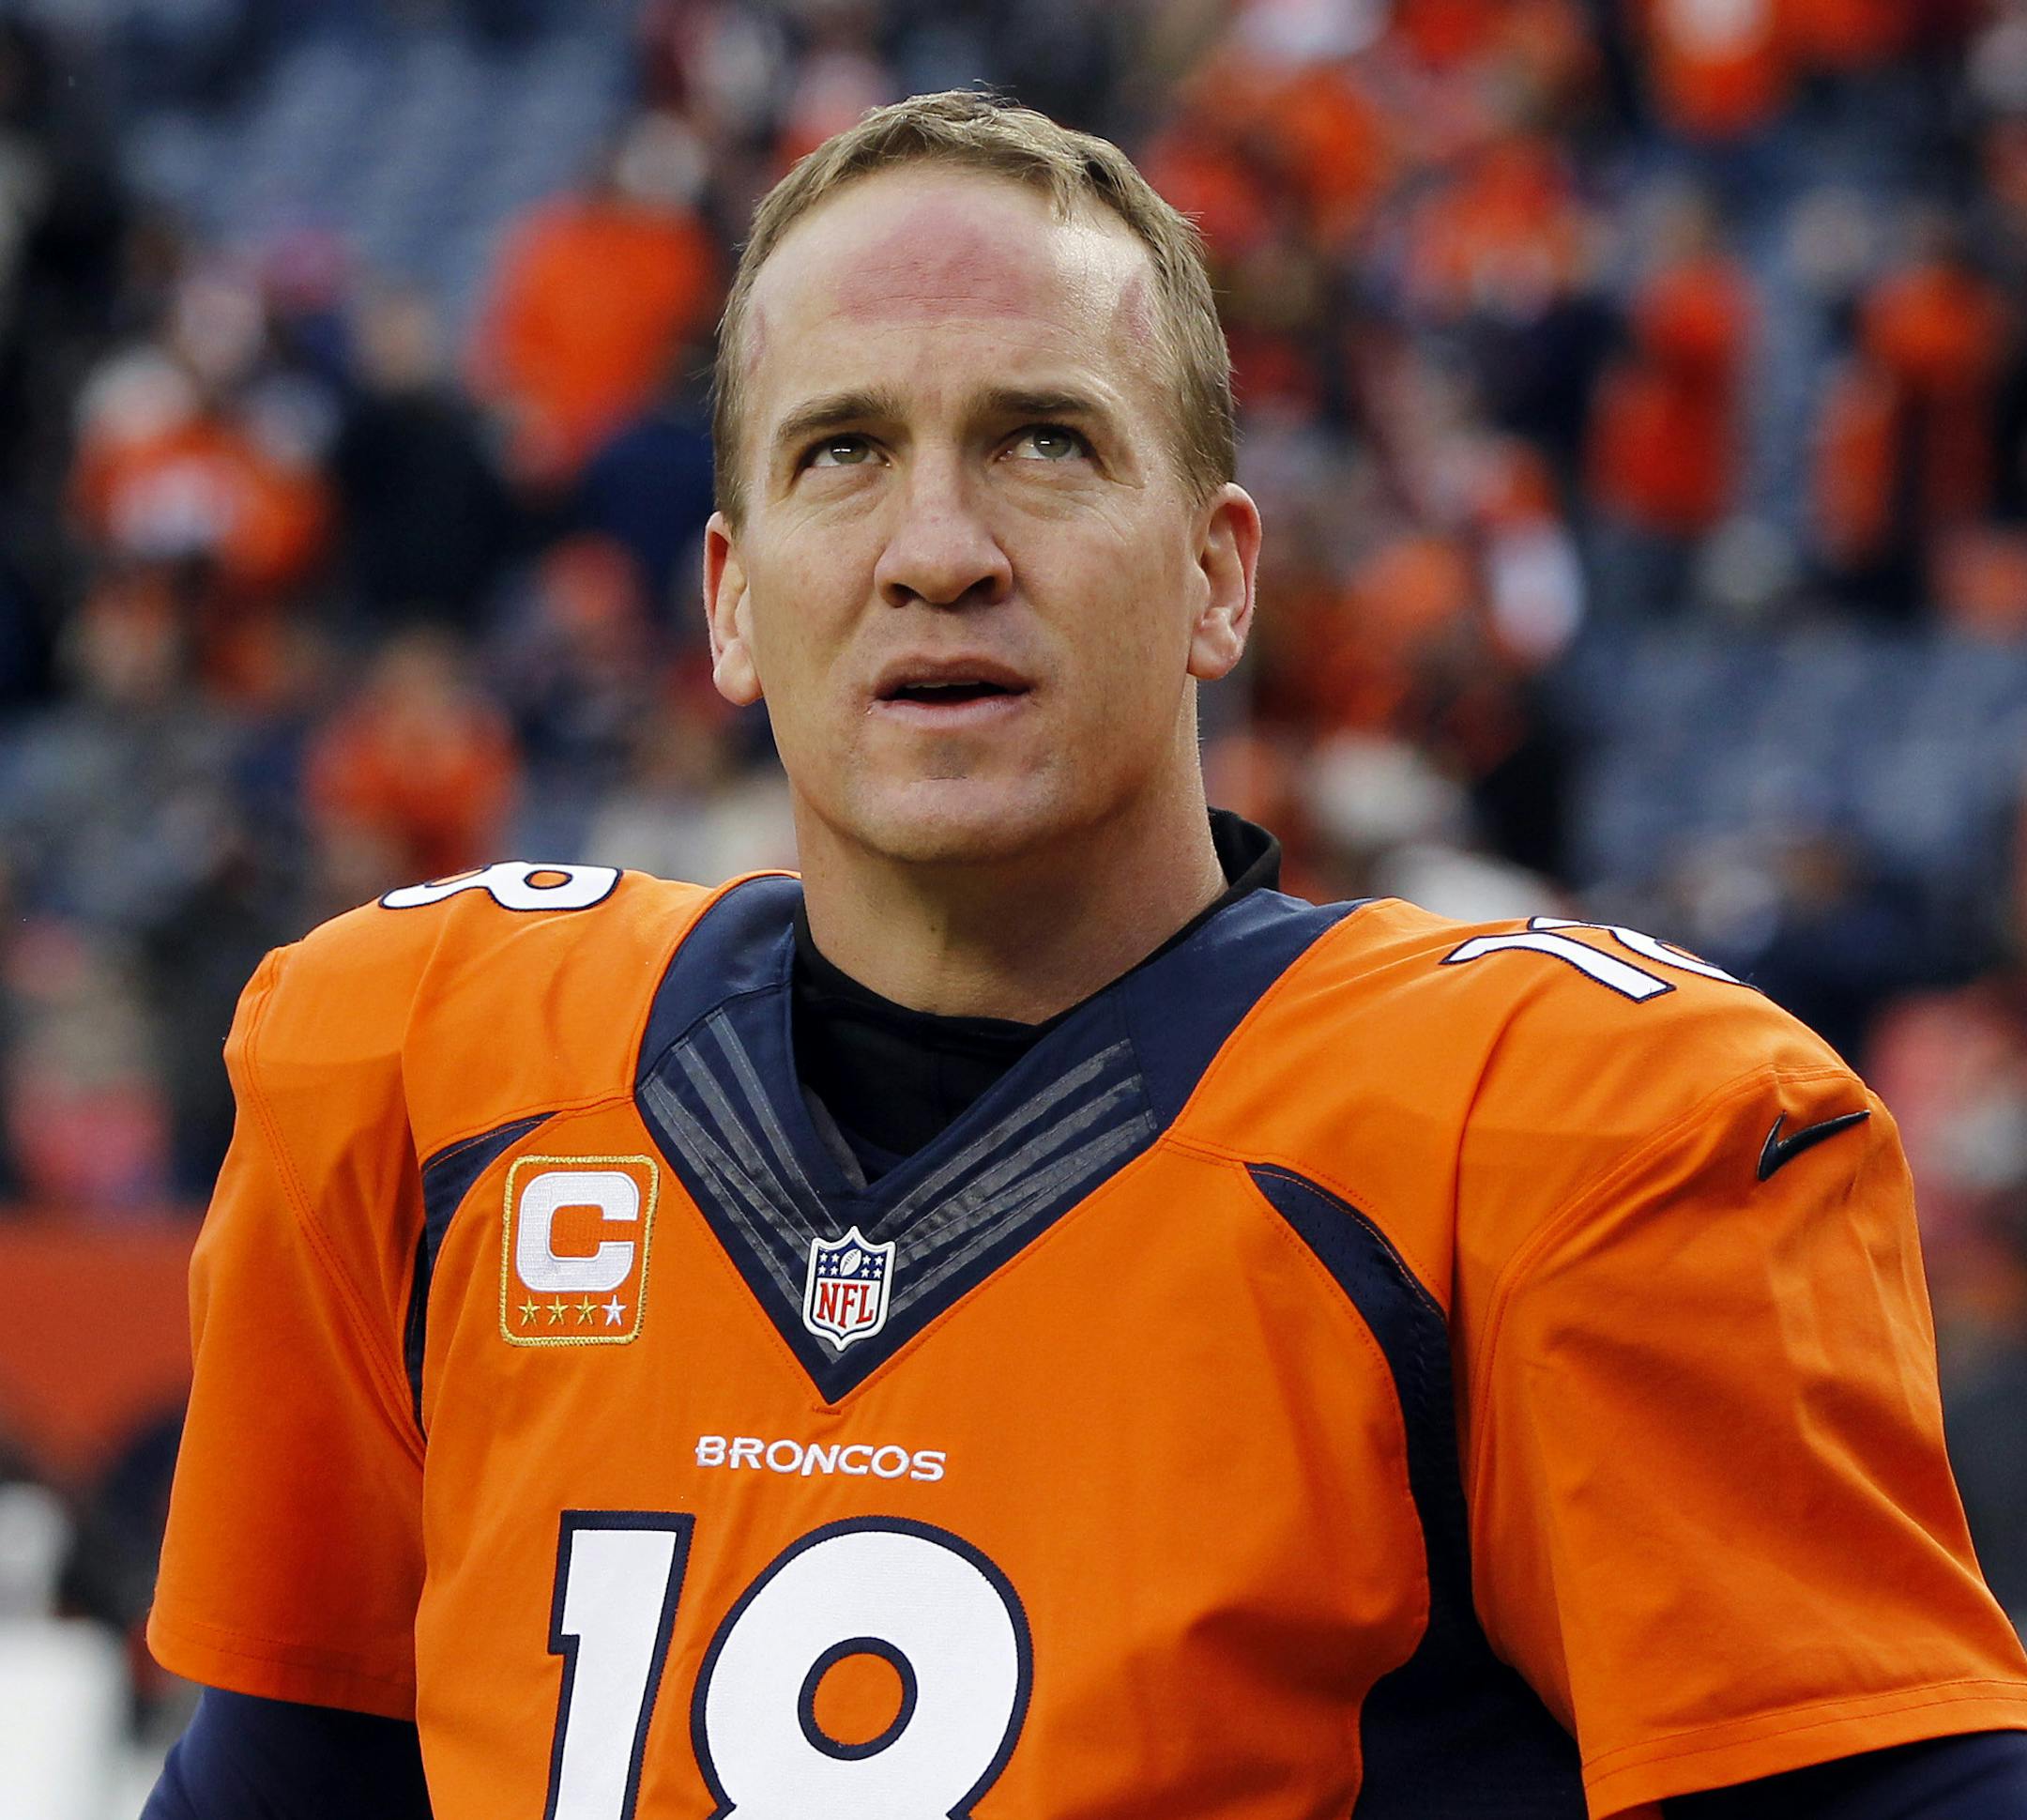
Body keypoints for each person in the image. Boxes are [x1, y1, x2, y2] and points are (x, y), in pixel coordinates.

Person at [144, 92, 2027, 1818]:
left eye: (1044, 443)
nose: (939, 547)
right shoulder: (421, 1079)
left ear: (1219, 574)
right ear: (728, 601)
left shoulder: (1563, 1136)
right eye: (843, 453)